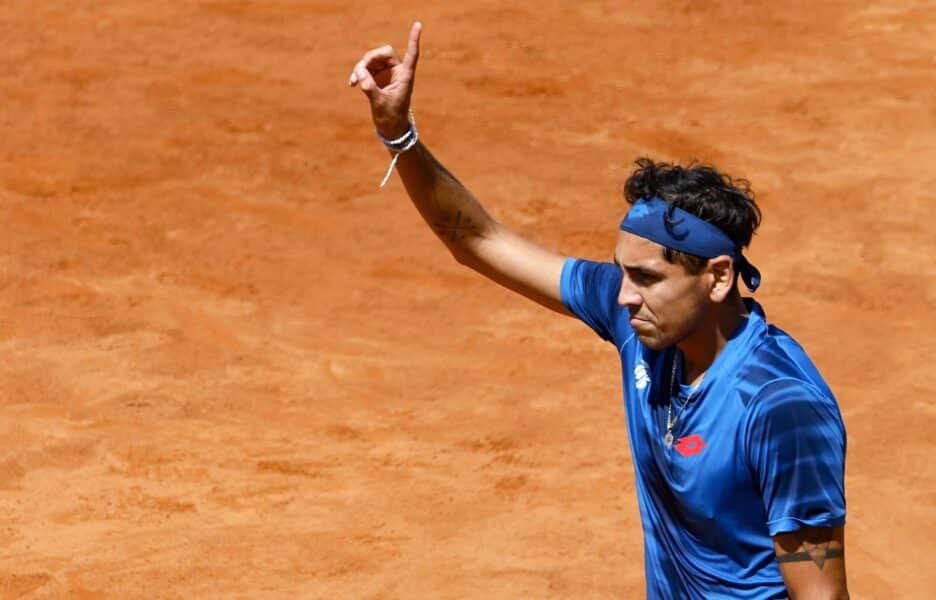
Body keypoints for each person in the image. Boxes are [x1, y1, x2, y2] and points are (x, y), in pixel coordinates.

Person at [348, 23, 848, 599]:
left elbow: (822, 595)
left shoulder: (780, 407)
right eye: (622, 271)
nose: (622, 295)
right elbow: (475, 238)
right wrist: (397, 134)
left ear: (717, 278)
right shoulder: (641, 325)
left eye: (646, 278)